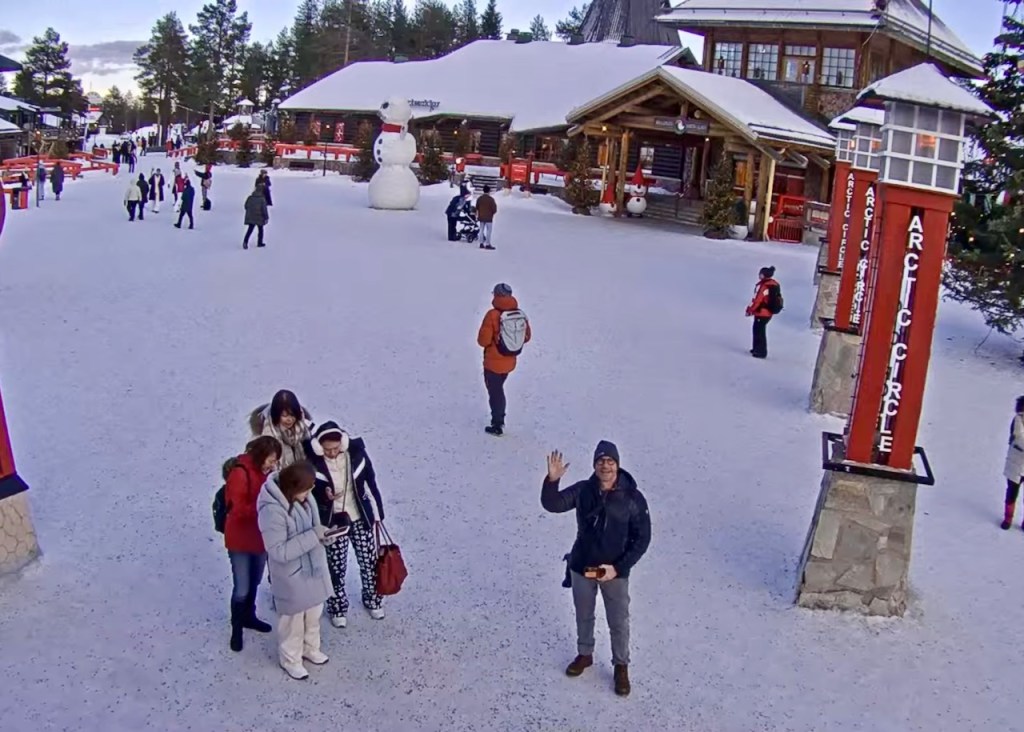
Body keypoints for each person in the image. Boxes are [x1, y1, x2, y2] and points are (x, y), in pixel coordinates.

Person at [541, 442, 651, 697]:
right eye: (601, 461)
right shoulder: (583, 490)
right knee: (584, 613)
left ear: (618, 464)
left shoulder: (633, 498)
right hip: (583, 566)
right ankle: (585, 654)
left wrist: (618, 568)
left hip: (613, 572)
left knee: (618, 620)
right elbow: (553, 504)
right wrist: (551, 481)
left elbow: (642, 538)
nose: (605, 465)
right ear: (594, 465)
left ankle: (621, 665)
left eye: (610, 461)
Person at [304, 421, 386, 628]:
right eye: (327, 449)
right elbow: (308, 492)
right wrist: (325, 496)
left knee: (368, 561)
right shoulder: (312, 463)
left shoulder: (357, 456)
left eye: (335, 448)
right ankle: (337, 607)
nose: (332, 453)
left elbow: (371, 482)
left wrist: (378, 513)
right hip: (334, 520)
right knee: (335, 567)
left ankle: (373, 599)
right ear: (318, 447)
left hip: (360, 516)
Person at [257, 461, 334, 680]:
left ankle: (310, 649)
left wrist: (325, 536)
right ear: (293, 487)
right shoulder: (272, 510)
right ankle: (290, 659)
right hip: (292, 575)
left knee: (313, 616)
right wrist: (314, 536)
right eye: (306, 489)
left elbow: (314, 528)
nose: (310, 493)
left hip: (313, 567)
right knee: (292, 622)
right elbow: (278, 551)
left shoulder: (304, 497)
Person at [224, 435, 283, 652]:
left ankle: (249, 616)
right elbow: (238, 509)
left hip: (260, 538)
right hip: (240, 539)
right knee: (241, 586)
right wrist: (267, 509)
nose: (273, 464)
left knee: (255, 580)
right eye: (271, 459)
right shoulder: (240, 473)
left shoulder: (267, 474)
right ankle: (236, 628)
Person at [477, 283, 531, 436]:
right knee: (498, 388)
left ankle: (497, 424)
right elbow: (527, 337)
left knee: (496, 392)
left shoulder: (492, 315)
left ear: (496, 295)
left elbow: (483, 340)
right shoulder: (519, 313)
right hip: (510, 361)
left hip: (493, 362)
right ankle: (498, 417)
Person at [249, 390, 313, 468]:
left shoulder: (304, 429)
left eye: (292, 415)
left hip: (301, 476)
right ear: (276, 415)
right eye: (284, 415)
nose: (289, 419)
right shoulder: (265, 438)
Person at [745, 266, 780, 359]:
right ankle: (756, 349)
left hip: (762, 312)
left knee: (759, 331)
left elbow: (757, 300)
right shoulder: (773, 284)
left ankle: (760, 351)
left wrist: (750, 310)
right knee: (758, 329)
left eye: (760, 273)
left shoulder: (764, 286)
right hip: (767, 312)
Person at [1002, 396, 1024, 529]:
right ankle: (1008, 519)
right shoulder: (1019, 419)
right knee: (1012, 493)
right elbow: (1019, 438)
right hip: (1016, 464)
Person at [243, 183, 270, 249]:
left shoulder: (250, 197)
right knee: (260, 230)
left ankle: (245, 242)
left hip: (251, 216)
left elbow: (246, 206)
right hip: (259, 217)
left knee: (250, 230)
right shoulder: (262, 199)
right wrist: (266, 217)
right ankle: (259, 242)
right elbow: (264, 209)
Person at [476, 185, 497, 250]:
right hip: (489, 217)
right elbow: (494, 209)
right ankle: (487, 244)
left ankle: (481, 243)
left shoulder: (480, 198)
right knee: (488, 231)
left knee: (481, 230)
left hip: (481, 216)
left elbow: (477, 207)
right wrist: (492, 213)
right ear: (489, 191)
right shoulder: (491, 199)